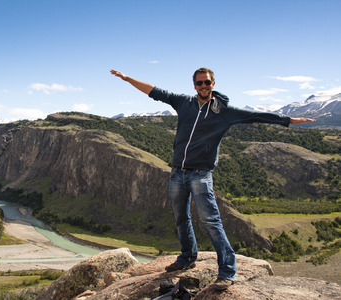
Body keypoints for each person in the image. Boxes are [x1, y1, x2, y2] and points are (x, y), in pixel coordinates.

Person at [110, 68, 315, 290]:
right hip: (178, 172)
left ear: (213, 83)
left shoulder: (224, 112)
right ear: (194, 85)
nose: (203, 86)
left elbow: (258, 116)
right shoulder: (184, 103)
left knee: (211, 221)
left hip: (200, 175)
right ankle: (187, 257)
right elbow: (154, 91)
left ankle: (227, 270)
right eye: (199, 83)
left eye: (206, 82)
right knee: (181, 218)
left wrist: (289, 120)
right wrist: (127, 78)